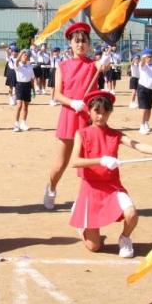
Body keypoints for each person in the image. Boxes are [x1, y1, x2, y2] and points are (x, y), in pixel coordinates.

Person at [70, 90, 152, 255]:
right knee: (94, 247)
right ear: (89, 111)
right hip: (91, 189)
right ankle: (83, 227)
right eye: (97, 111)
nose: (101, 116)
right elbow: (74, 162)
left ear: (110, 112)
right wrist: (101, 160)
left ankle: (125, 238)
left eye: (105, 112)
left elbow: (138, 145)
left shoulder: (115, 134)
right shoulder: (81, 134)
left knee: (131, 213)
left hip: (112, 187)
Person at [43, 22, 110, 209]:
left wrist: (106, 59)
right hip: (69, 115)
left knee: (87, 161)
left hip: (88, 117)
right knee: (62, 162)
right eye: (77, 41)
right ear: (70, 44)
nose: (80, 44)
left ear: (89, 44)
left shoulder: (93, 65)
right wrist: (72, 102)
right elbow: (57, 94)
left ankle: (82, 198)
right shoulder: (62, 66)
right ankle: (51, 188)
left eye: (84, 41)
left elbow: (104, 66)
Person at [136, 49, 152, 135]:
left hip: (151, 89)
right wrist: (143, 58)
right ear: (144, 57)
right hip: (143, 89)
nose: (149, 58)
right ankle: (141, 126)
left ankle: (146, 122)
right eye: (148, 57)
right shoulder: (142, 65)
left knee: (149, 108)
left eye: (151, 57)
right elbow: (141, 63)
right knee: (144, 108)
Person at [13, 49, 35, 131]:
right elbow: (16, 61)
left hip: (27, 86)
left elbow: (32, 79)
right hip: (20, 85)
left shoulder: (30, 66)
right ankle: (16, 124)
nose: (26, 57)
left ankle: (23, 123)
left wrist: (33, 89)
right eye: (24, 55)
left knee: (26, 106)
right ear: (21, 56)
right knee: (19, 105)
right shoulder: (18, 64)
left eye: (27, 56)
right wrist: (22, 52)